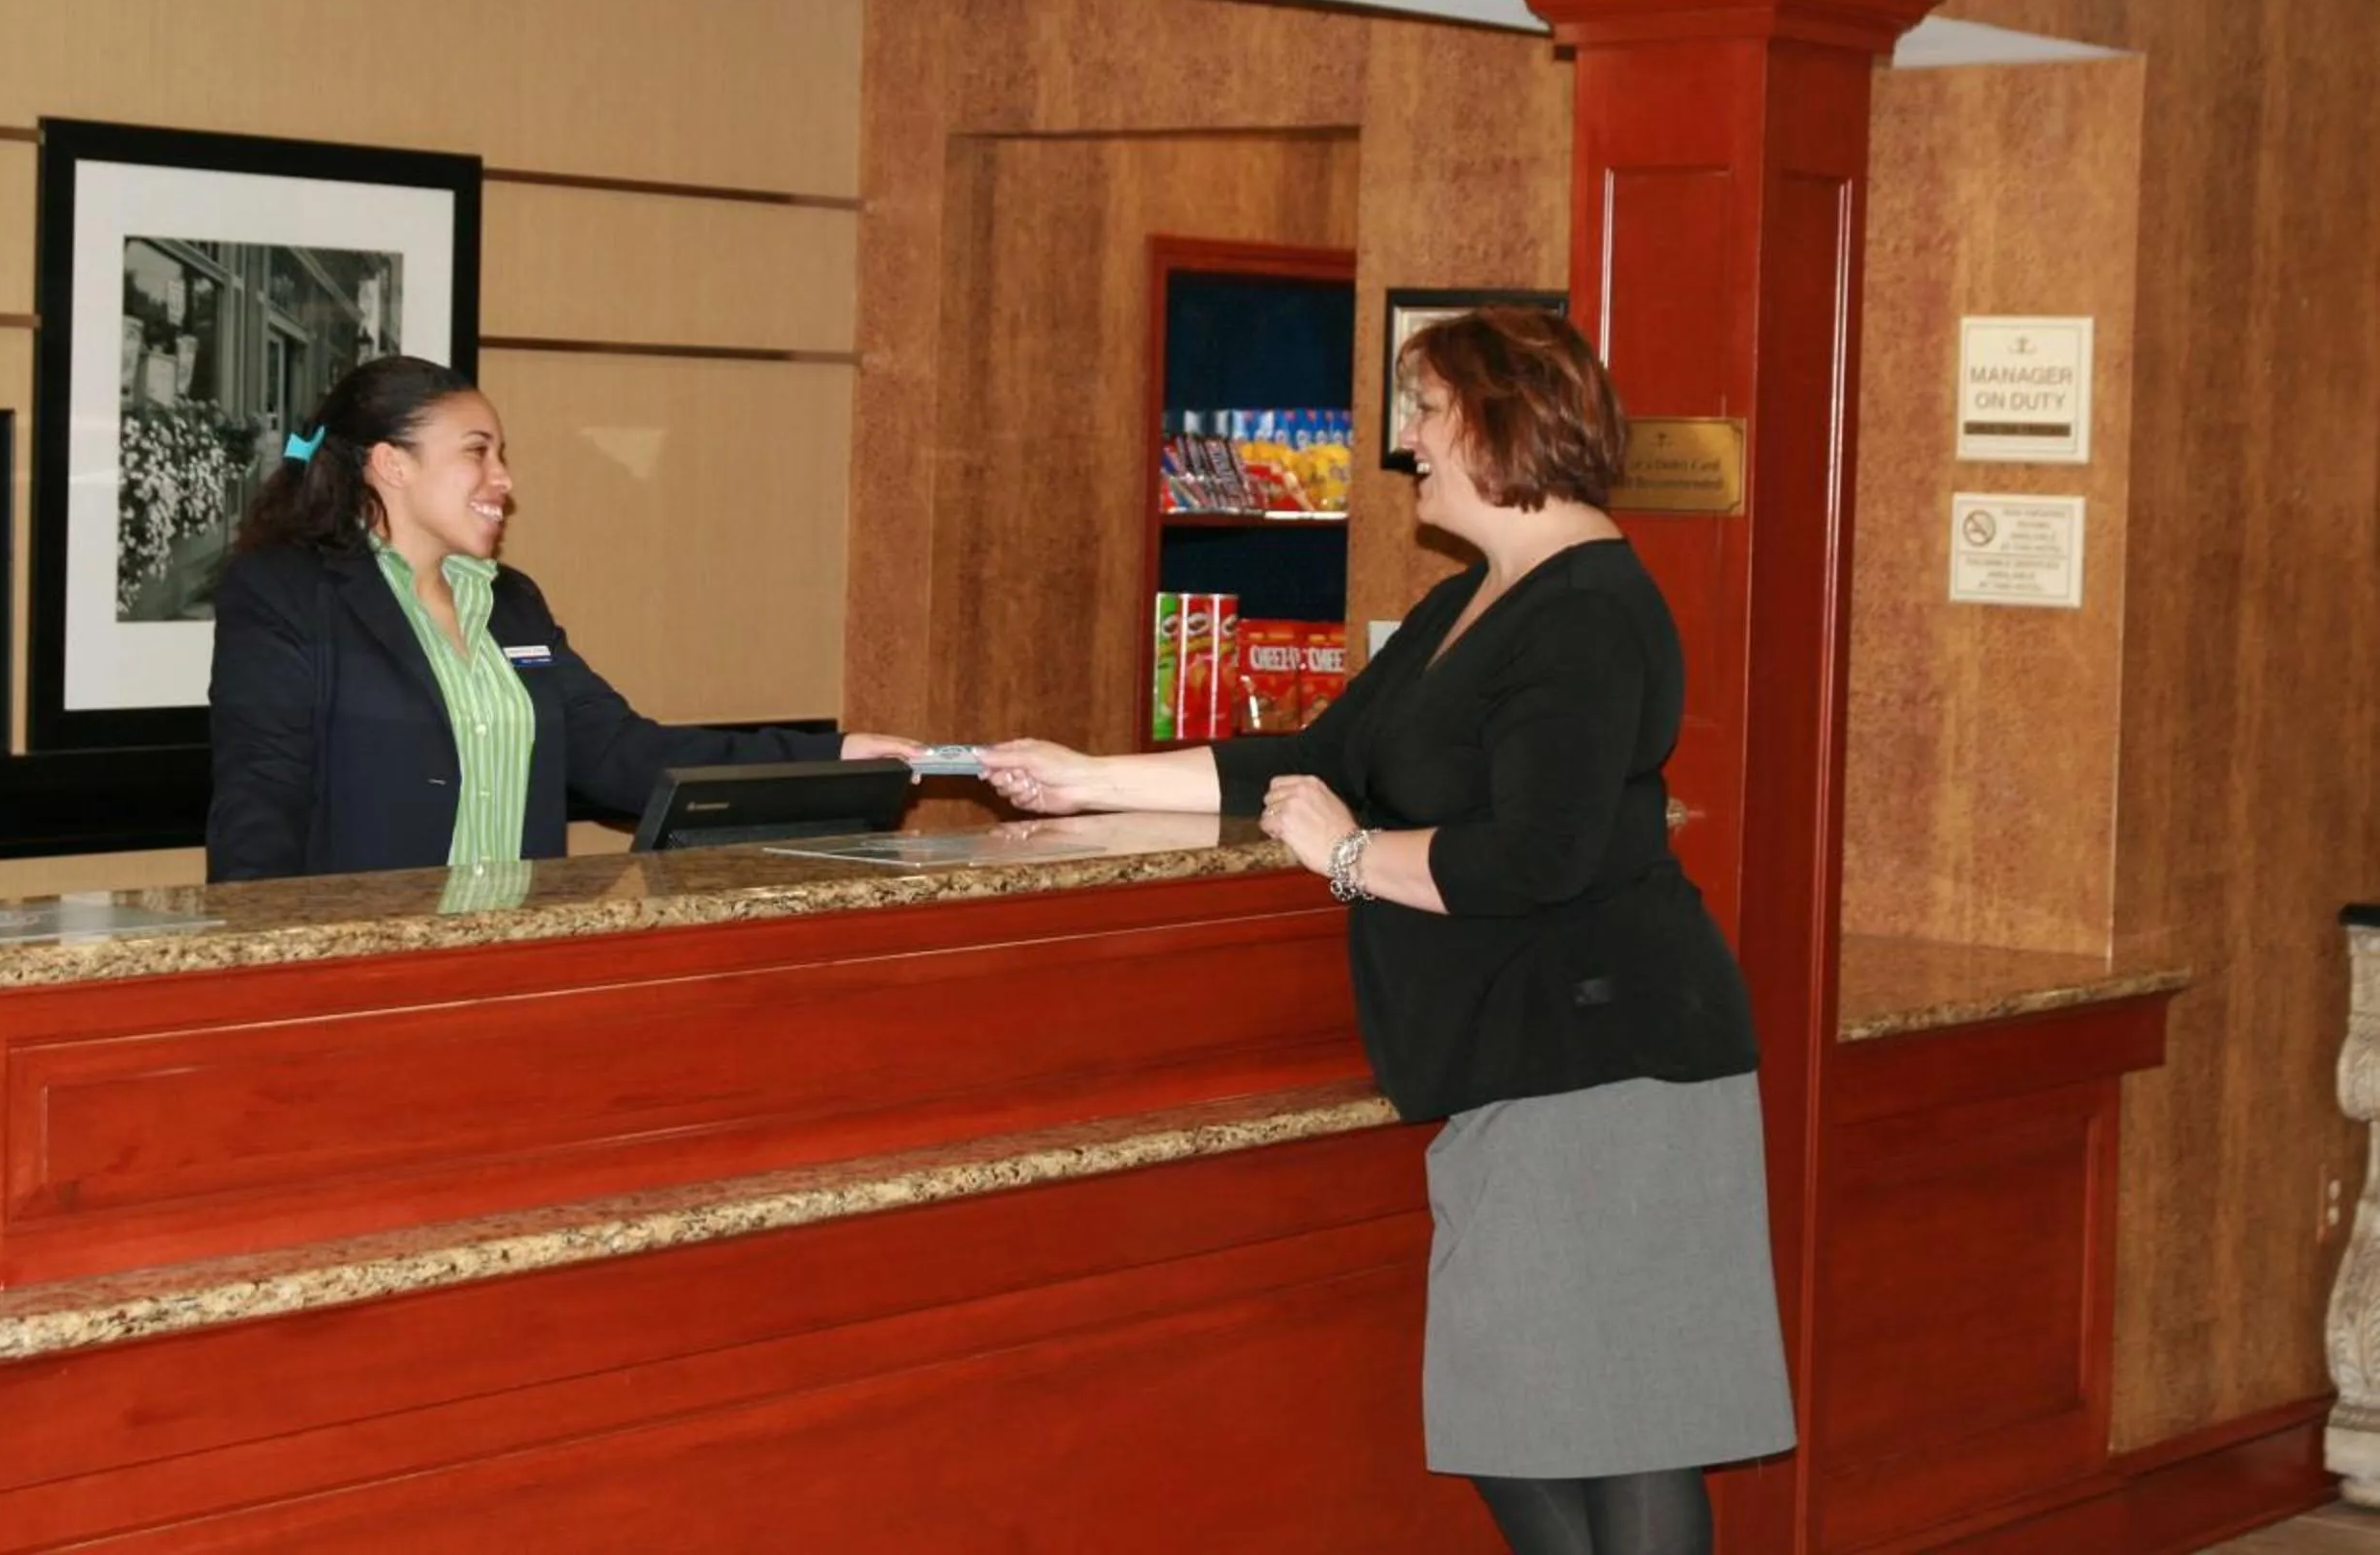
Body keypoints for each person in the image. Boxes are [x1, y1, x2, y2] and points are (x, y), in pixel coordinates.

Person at [980, 308, 1792, 1555]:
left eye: (1425, 412)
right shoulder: (1474, 601)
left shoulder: (1586, 610)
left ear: (1499, 424)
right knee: (1525, 1418)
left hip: (1609, 1059)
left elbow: (1534, 855)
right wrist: (1086, 776)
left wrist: (1350, 856)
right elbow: (1317, 758)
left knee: (1614, 1427)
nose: (1407, 443)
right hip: (1533, 1057)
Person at [207, 355, 920, 881]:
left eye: (502, 455)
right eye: (477, 453)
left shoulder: (511, 604)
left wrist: (832, 756)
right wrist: (261, 969)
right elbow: (261, 802)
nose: (504, 479)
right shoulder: (286, 592)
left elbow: (622, 754)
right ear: (392, 464)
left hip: (519, 968)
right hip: (366, 975)